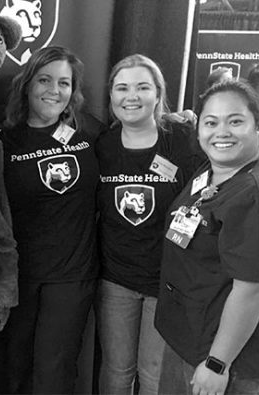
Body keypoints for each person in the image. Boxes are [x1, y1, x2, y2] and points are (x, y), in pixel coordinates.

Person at [95, 54, 205, 395]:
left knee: (155, 375)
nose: (132, 96)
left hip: (166, 283)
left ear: (158, 94)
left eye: (143, 87)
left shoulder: (182, 139)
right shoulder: (103, 146)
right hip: (116, 281)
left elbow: (204, 198)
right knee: (116, 372)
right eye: (122, 87)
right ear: (111, 96)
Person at [0, 45, 105, 393]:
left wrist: (177, 125)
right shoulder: (3, 142)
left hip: (72, 278)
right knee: (13, 367)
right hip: (19, 278)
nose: (54, 91)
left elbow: (138, 140)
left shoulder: (90, 136)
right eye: (44, 80)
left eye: (64, 83)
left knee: (54, 372)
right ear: (27, 85)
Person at [155, 79, 259, 395]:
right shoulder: (213, 169)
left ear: (257, 126)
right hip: (189, 339)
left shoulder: (253, 194)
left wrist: (218, 363)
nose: (222, 132)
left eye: (235, 121)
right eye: (211, 122)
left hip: (225, 363)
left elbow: (252, 290)